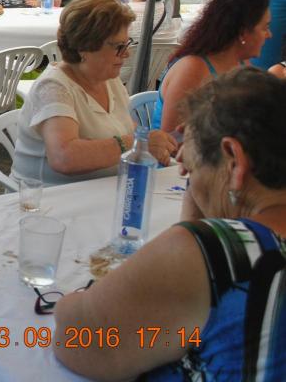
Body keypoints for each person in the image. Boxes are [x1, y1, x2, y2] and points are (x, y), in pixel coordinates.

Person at [54, 67, 286, 382]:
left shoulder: (216, 253)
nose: (185, 175)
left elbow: (77, 338)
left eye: (191, 167)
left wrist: (73, 301)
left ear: (234, 160)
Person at [12, 0, 177, 185]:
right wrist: (138, 143)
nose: (127, 53)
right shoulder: (53, 87)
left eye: (127, 43)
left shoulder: (108, 79)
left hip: (100, 191)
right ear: (85, 47)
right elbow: (64, 157)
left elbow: (125, 129)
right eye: (119, 46)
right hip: (48, 197)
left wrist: (156, 144)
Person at [151, 0, 271, 133]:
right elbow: (172, 136)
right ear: (243, 33)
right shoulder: (192, 69)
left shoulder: (241, 63)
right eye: (265, 28)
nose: (269, 35)